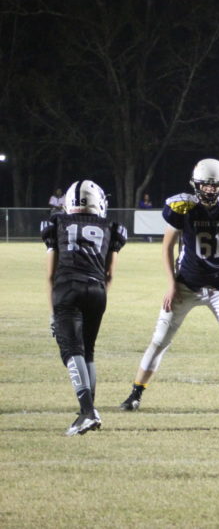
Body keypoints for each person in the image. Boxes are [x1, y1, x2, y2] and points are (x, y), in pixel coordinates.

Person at [119, 159, 219, 414]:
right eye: (205, 185)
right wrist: (171, 284)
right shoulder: (182, 207)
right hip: (186, 285)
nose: (210, 190)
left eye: (215, 186)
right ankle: (135, 394)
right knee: (159, 340)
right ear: (196, 184)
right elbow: (167, 247)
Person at [42, 180, 128, 435]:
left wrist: (53, 312)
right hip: (97, 290)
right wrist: (99, 296)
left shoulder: (57, 223)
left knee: (71, 350)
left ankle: (88, 412)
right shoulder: (112, 227)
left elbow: (51, 275)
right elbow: (109, 274)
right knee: (87, 351)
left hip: (67, 288)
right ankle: (87, 410)